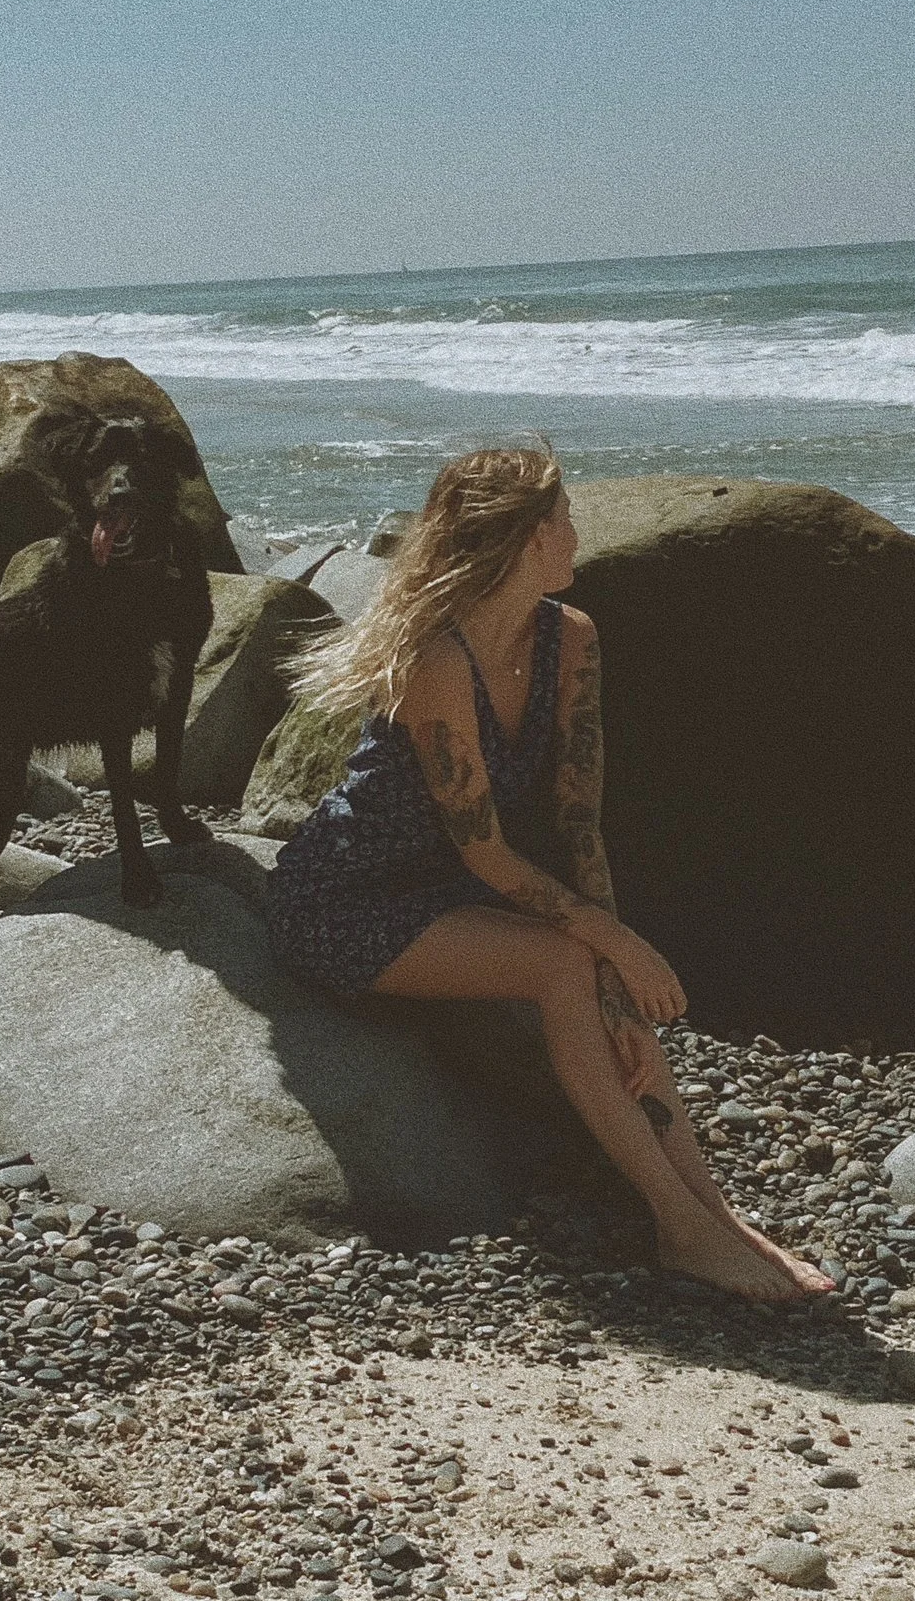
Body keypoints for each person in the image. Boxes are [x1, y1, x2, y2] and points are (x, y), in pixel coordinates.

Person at [267, 444, 832, 1302]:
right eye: (563, 520)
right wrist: (614, 947)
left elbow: (577, 824)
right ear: (527, 538)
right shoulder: (435, 658)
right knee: (566, 961)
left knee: (598, 976)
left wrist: (621, 985)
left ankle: (718, 1216)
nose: (576, 534)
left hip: (458, 892)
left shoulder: (572, 640)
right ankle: (680, 1230)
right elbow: (484, 849)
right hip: (353, 895)